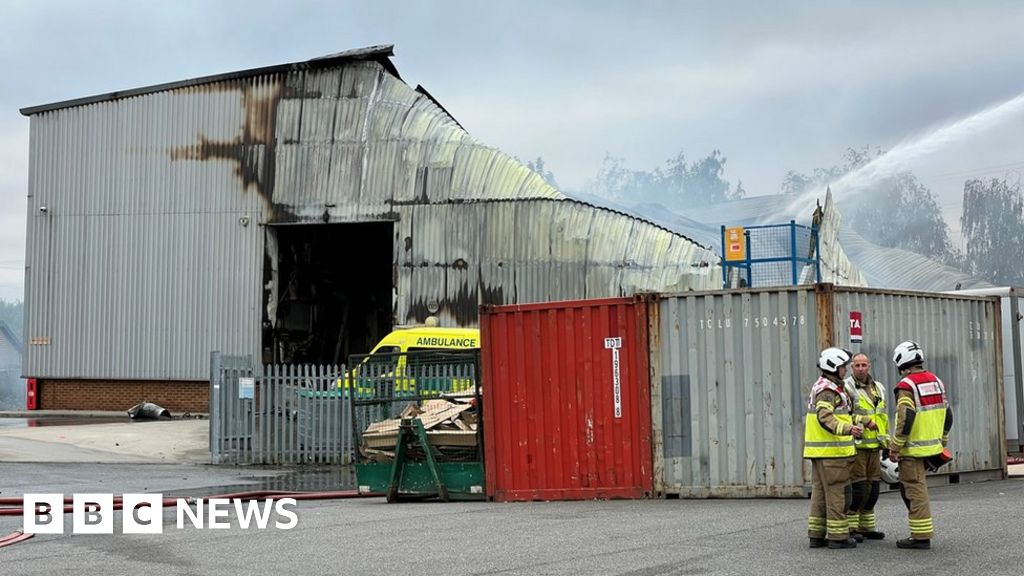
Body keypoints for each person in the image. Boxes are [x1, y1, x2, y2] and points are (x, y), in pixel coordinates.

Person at [888, 341, 953, 550]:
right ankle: (918, 532)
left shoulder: (906, 385)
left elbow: (905, 417)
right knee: (912, 488)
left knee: (915, 491)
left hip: (913, 450)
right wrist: (942, 439)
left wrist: (895, 446)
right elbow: (948, 415)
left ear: (900, 362)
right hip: (931, 448)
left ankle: (921, 536)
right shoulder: (936, 382)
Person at [805, 347, 864, 549]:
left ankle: (816, 535)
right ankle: (838, 537)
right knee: (838, 492)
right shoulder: (828, 390)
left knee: (821, 493)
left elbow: (842, 414)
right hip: (832, 453)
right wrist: (848, 429)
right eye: (843, 367)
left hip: (822, 452)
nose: (845, 370)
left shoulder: (826, 386)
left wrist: (861, 421)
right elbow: (825, 417)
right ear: (833, 367)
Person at [844, 353, 888, 540]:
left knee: (873, 489)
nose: (861, 368)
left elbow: (883, 417)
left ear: (869, 366)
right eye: (857, 365)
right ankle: (851, 528)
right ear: (852, 368)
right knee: (859, 488)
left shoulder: (879, 388)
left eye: (864, 365)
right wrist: (863, 420)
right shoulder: (847, 387)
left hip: (875, 446)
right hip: (858, 446)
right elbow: (843, 415)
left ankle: (866, 527)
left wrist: (887, 443)